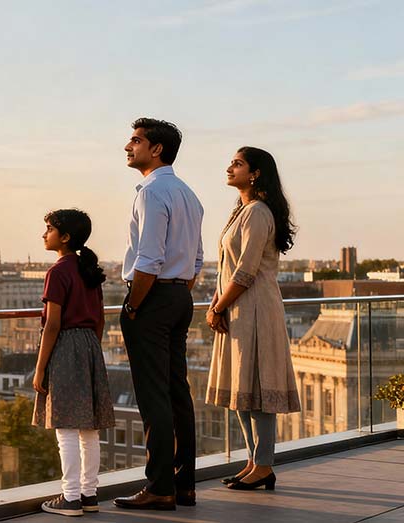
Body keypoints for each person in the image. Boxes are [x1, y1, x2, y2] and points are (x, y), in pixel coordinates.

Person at [114, 118, 203, 511]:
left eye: (135, 140)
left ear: (157, 150)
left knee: (154, 397)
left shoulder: (151, 193)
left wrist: (134, 304)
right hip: (179, 297)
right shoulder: (188, 193)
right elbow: (197, 259)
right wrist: (175, 294)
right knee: (177, 392)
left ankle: (159, 486)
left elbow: (149, 258)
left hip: (152, 298)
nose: (127, 147)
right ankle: (184, 485)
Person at [205, 146, 301, 491]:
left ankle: (263, 465)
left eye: (237, 163)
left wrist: (217, 307)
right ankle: (254, 461)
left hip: (255, 309)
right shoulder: (242, 211)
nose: (229, 167)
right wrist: (218, 302)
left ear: (255, 173)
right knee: (242, 391)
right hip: (239, 308)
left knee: (258, 390)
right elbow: (228, 269)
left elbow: (245, 271)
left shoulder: (257, 212)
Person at [32, 209, 116, 517]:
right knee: (89, 430)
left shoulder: (58, 272)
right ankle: (89, 494)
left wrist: (40, 367)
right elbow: (101, 319)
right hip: (90, 345)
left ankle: (70, 497)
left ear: (64, 237)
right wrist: (91, 346)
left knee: (65, 426)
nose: (44, 234)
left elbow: (52, 324)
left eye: (49, 229)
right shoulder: (87, 268)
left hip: (66, 346)